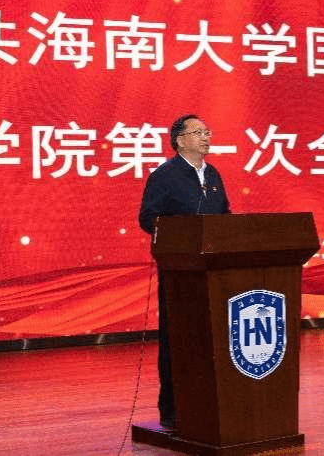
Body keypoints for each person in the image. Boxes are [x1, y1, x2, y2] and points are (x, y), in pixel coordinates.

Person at [138, 114, 230, 430]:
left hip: (213, 273)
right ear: (179, 140)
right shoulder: (164, 175)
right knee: (177, 339)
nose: (206, 137)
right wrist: (183, 237)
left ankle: (208, 405)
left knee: (211, 339)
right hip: (180, 273)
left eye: (207, 132)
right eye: (199, 132)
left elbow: (224, 215)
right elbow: (148, 218)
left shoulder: (213, 173)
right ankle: (172, 409)